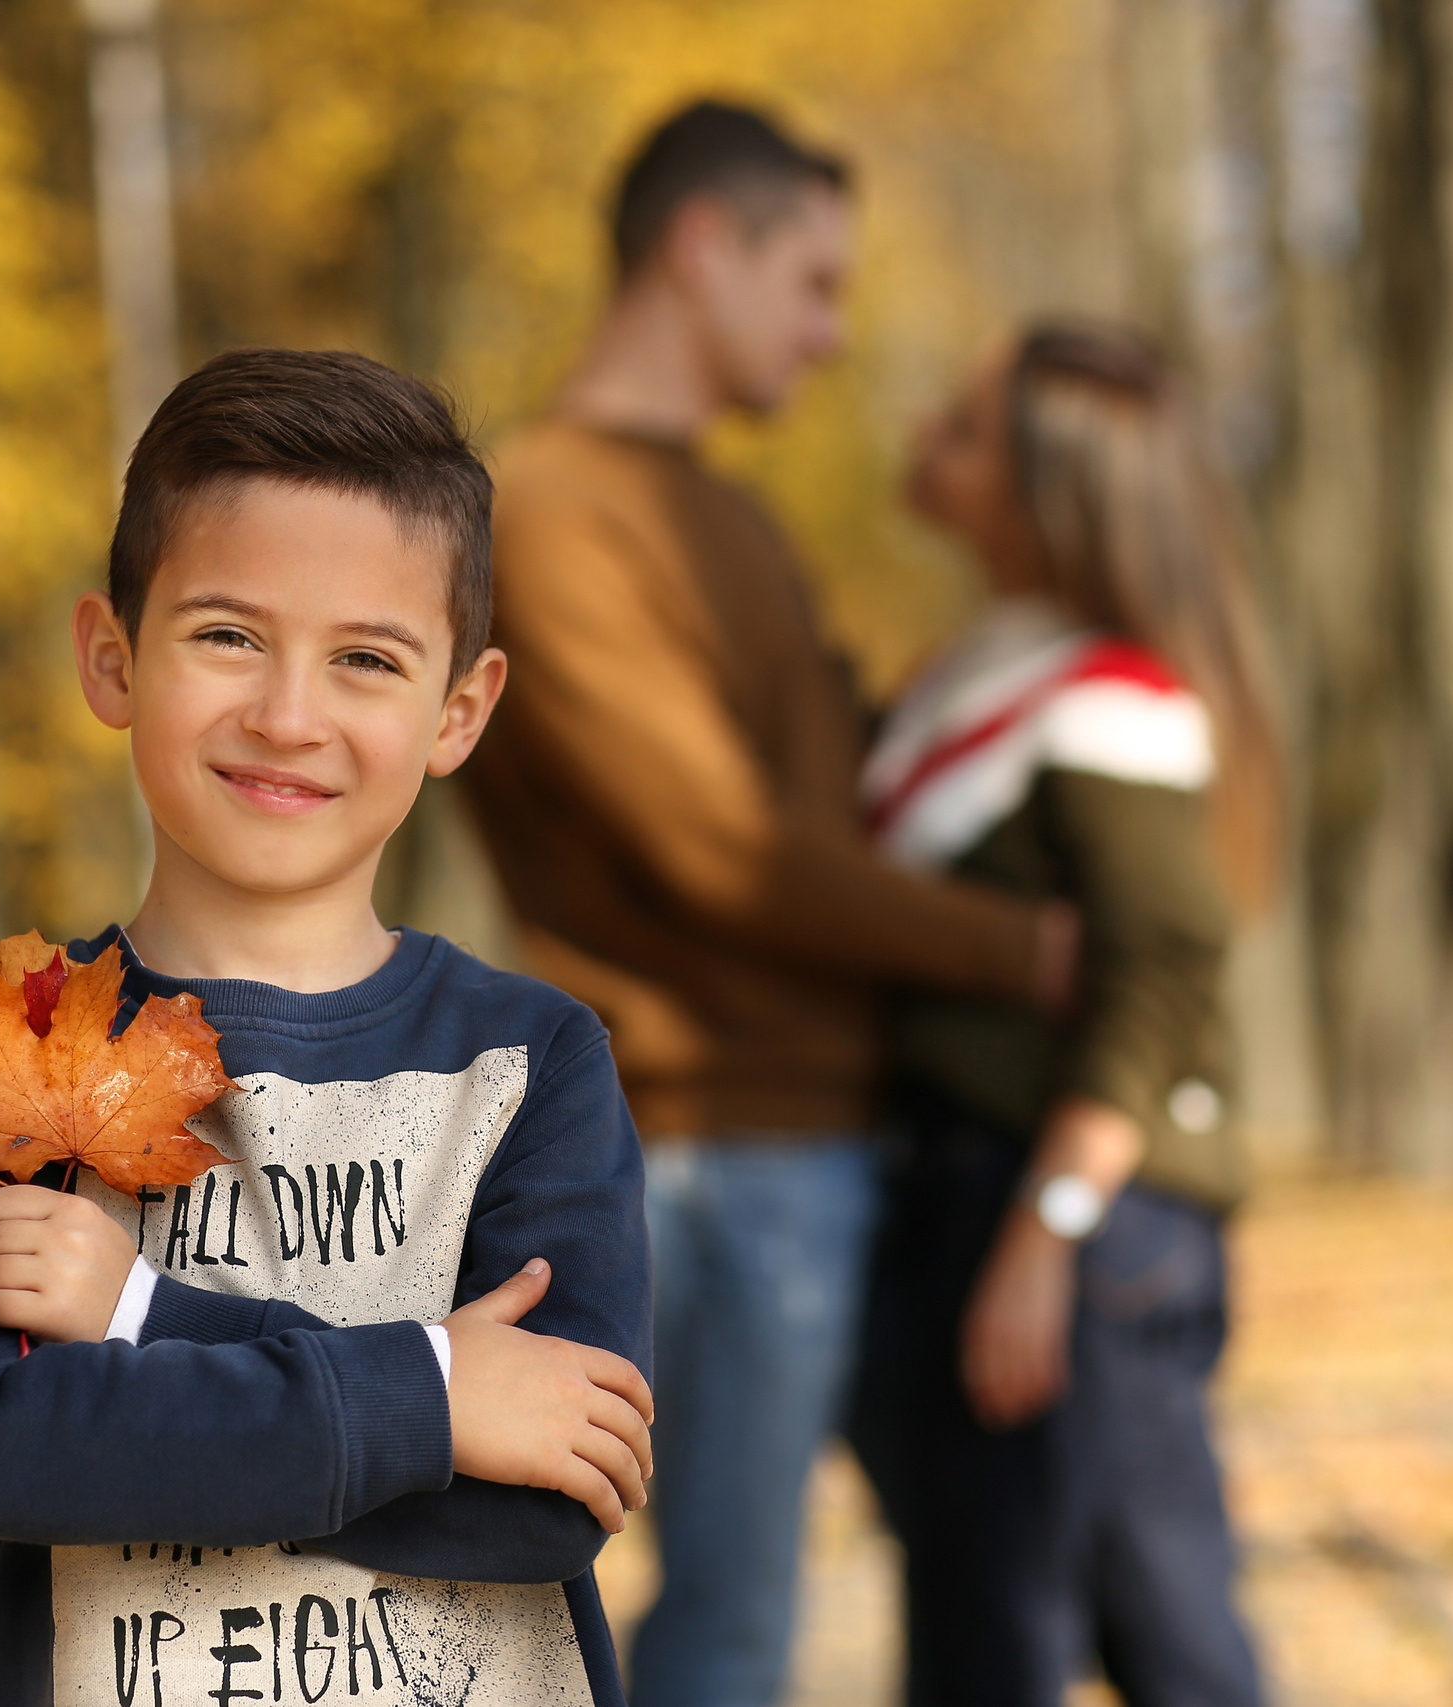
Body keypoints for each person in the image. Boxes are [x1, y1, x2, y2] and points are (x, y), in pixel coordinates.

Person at [0, 348, 656, 1707]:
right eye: (229, 636)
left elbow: (550, 1500)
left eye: (367, 659)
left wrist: (138, 1312)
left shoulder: (531, 1063)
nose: (288, 716)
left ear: (457, 712)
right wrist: (440, 1404)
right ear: (112, 659)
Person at [462, 102, 1076, 1707]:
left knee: (986, 1575)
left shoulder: (729, 515)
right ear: (697, 248)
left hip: (828, 1136)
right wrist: (1028, 954)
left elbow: (838, 796)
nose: (831, 333)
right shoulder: (544, 510)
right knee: (724, 1632)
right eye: (810, 281)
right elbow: (719, 850)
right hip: (709, 1146)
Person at [850, 324, 1280, 1707]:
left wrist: (1049, 1231)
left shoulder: (1113, 698)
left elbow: (1164, 969)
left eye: (968, 427)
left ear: (1047, 492)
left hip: (1071, 1218)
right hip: (980, 1203)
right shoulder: (972, 671)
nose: (929, 431)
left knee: (1142, 1645)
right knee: (997, 1635)